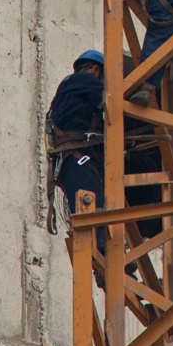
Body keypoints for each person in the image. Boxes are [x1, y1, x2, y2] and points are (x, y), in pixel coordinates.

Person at [45, 49, 105, 237]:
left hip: (67, 159)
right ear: (96, 69)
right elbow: (109, 104)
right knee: (92, 199)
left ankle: (97, 248)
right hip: (79, 154)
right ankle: (103, 246)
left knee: (81, 204)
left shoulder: (67, 87)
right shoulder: (86, 80)